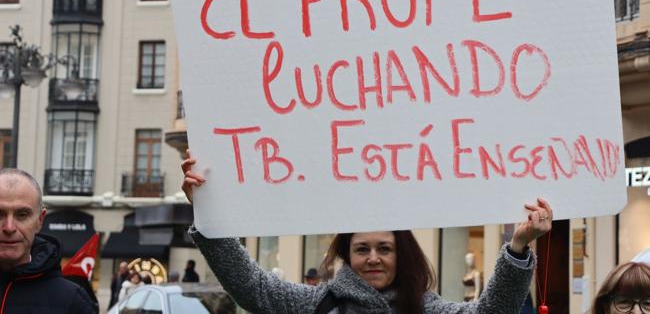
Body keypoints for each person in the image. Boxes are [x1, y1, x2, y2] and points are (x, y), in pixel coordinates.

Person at [181, 154, 553, 313]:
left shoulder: (425, 308)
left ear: (400, 255)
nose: (373, 257)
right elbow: (252, 286)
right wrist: (210, 215)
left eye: (384, 248)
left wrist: (518, 247)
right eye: (362, 249)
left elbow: (492, 311)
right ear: (348, 254)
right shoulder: (318, 304)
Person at [0, 168, 95, 313]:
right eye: (0, 214)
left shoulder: (73, 301)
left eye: (22, 215)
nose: (9, 227)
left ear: (40, 220)